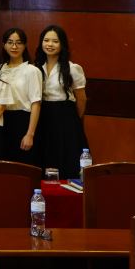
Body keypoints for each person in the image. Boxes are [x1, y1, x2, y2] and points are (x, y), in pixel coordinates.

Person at [36, 25, 88, 178]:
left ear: (62, 44)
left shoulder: (73, 68)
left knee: (66, 156)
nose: (50, 44)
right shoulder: (36, 67)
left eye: (55, 41)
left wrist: (73, 120)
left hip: (66, 116)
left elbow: (81, 99)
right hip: (43, 115)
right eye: (46, 40)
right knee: (45, 155)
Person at [0, 26, 43, 161]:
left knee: (23, 164)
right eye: (10, 42)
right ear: (4, 45)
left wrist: (30, 134)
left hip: (23, 121)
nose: (14, 46)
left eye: (19, 43)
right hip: (1, 120)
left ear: (24, 45)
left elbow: (36, 104)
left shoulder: (31, 71)